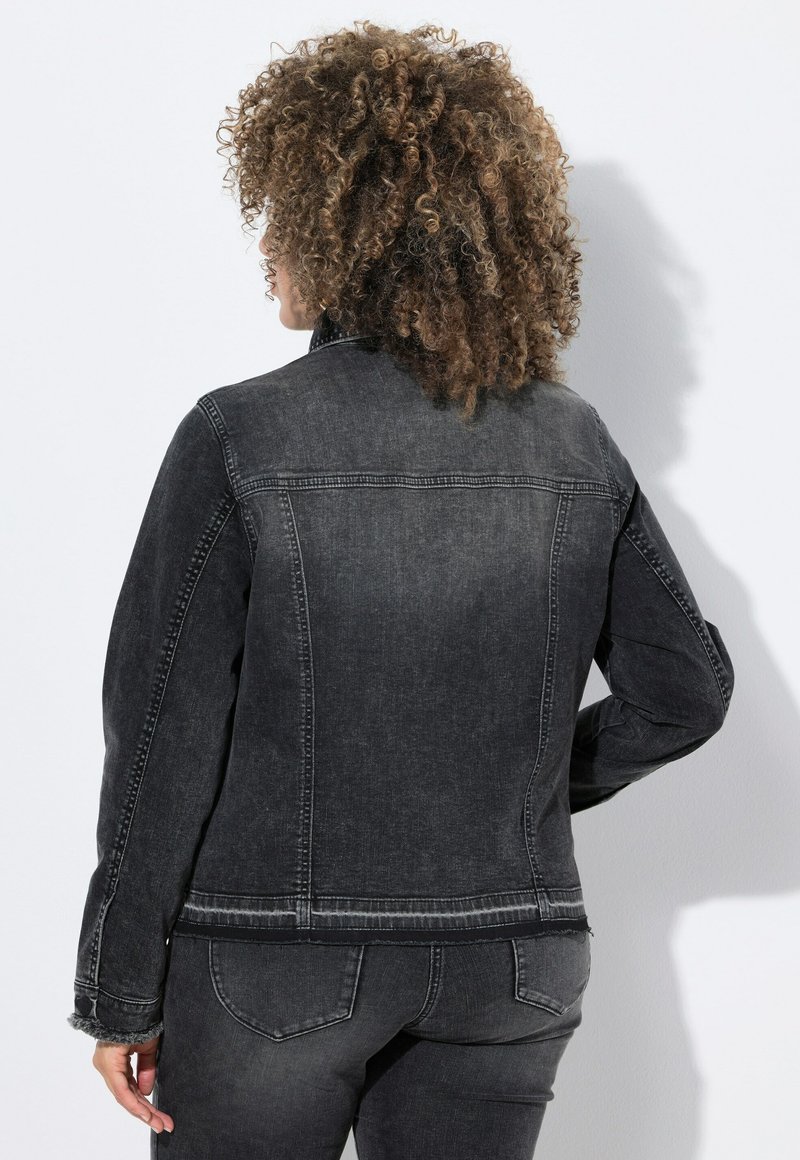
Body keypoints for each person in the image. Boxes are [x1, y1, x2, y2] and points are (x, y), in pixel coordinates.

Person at [66, 21, 735, 1159]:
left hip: (271, 960)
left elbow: (161, 738)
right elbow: (686, 693)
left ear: (349, 234)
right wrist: (514, 788)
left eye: (284, 212)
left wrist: (118, 991)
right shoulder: (574, 443)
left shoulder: (240, 435)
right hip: (511, 966)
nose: (266, 244)